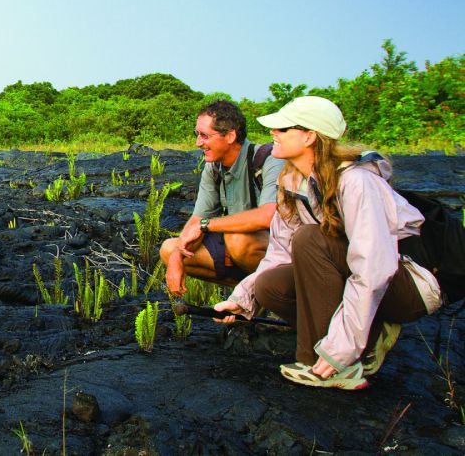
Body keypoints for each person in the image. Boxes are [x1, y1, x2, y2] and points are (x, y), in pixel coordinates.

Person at [214, 96, 441, 389]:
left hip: (409, 285)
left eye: (283, 129)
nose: (273, 133)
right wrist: (242, 300)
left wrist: (340, 350)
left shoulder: (358, 181)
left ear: (310, 136)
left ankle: (331, 365)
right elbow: (279, 254)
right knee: (268, 285)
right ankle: (365, 337)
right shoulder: (292, 183)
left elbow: (374, 269)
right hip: (362, 277)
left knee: (310, 239)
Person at [161, 100, 284, 295]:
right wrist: (176, 257)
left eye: (204, 135)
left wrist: (206, 225)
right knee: (169, 248)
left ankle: (272, 294)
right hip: (240, 249)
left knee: (238, 241)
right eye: (197, 134)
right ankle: (246, 293)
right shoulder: (214, 167)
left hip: (283, 251)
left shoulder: (269, 159)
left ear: (230, 136)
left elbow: (267, 216)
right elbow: (197, 218)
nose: (198, 142)